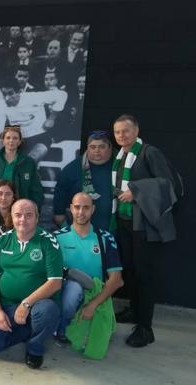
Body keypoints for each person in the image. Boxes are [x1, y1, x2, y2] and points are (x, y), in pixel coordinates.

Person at [112, 114, 177, 347]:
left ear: (136, 130)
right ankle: (134, 310)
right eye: (117, 132)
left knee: (144, 275)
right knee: (129, 270)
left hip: (144, 226)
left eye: (126, 131)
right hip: (124, 222)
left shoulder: (149, 152)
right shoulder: (120, 156)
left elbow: (168, 183)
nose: (121, 136)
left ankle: (145, 328)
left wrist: (136, 191)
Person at [0, 199, 63, 369]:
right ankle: (28, 330)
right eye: (18, 215)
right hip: (8, 305)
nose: (22, 220)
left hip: (38, 304)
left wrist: (26, 304)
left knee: (47, 312)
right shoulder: (2, 241)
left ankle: (35, 348)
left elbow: (55, 283)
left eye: (29, 215)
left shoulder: (49, 242)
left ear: (37, 218)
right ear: (11, 217)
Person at [53, 192, 123, 347]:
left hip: (95, 296)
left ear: (93, 210)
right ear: (71, 209)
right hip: (66, 294)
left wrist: (93, 305)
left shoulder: (105, 238)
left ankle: (82, 323)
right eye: (77, 207)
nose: (80, 212)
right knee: (74, 288)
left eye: (86, 208)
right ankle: (61, 329)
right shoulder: (57, 237)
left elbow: (116, 280)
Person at [53, 131, 114, 231]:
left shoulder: (120, 165)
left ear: (110, 147)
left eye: (102, 147)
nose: (97, 150)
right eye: (93, 147)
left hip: (112, 226)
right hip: (80, 227)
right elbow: (60, 191)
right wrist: (59, 214)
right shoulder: (72, 168)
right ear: (87, 148)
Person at [0, 125, 43, 213]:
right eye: (8, 138)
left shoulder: (29, 163)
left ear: (19, 142)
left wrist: (34, 211)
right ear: (3, 140)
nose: (11, 141)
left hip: (21, 213)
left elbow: (36, 190)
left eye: (15, 138)